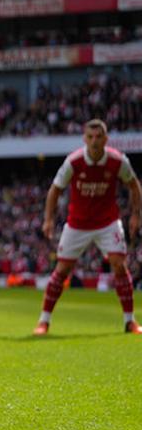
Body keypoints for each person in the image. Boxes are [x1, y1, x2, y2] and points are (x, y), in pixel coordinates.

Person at [34, 119, 141, 335]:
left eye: (98, 137)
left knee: (119, 265)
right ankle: (44, 321)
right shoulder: (73, 162)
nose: (94, 141)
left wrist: (135, 215)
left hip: (107, 222)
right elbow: (55, 190)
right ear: (84, 138)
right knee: (62, 270)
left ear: (106, 139)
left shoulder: (117, 161)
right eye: (90, 137)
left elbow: (134, 185)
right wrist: (48, 219)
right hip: (78, 224)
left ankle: (130, 322)